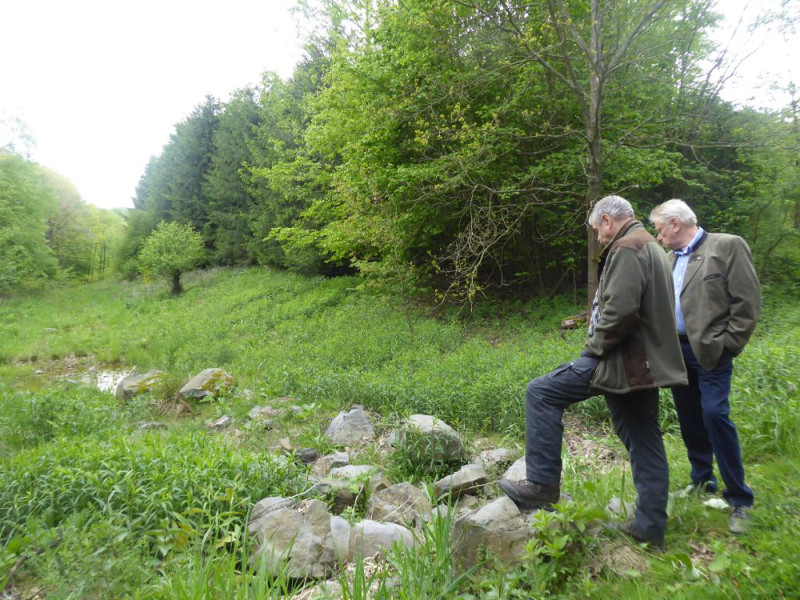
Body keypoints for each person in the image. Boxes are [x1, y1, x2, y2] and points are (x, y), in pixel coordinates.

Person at [499, 195, 687, 550]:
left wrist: (593, 350)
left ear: (606, 220)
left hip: (621, 360)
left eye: (596, 231)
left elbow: (620, 312)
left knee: (541, 392)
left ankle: (541, 487)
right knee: (644, 441)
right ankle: (650, 527)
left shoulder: (628, 248)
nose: (598, 238)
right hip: (642, 365)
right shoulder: (652, 247)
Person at [650, 199, 759, 534]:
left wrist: (729, 344)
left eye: (659, 229)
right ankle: (702, 480)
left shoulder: (726, 246)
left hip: (712, 351)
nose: (658, 236)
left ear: (675, 223)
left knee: (714, 414)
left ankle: (739, 498)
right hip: (677, 353)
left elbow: (747, 300)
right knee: (689, 419)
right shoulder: (667, 260)